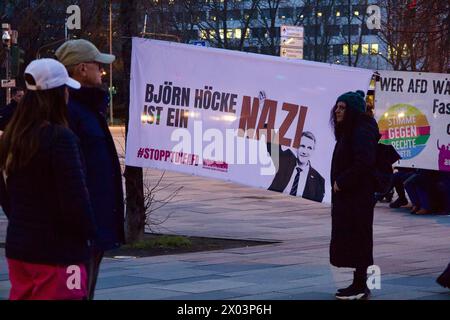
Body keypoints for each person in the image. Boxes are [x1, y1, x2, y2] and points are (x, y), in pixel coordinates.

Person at [0, 59, 96, 300]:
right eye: (65, 88)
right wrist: (89, 234)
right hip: (59, 253)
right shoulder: (60, 138)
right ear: (58, 94)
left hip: (20, 248)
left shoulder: (13, 137)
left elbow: (6, 195)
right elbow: (75, 200)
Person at [55, 39, 125, 300]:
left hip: (92, 225)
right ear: (82, 69)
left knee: (84, 292)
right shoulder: (70, 111)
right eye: (98, 65)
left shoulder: (87, 108)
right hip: (80, 230)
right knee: (74, 294)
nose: (102, 71)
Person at [329, 90, 379, 300]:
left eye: (343, 108)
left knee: (359, 239)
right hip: (350, 197)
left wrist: (342, 181)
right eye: (337, 107)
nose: (338, 111)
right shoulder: (350, 130)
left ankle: (361, 286)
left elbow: (363, 162)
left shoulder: (361, 130)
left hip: (357, 196)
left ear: (352, 110)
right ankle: (359, 284)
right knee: (355, 239)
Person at [267, 131, 325, 203]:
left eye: (309, 148)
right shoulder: (286, 159)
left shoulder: (319, 180)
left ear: (313, 151)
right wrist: (272, 123)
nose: (305, 151)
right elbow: (272, 144)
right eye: (302, 146)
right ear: (296, 147)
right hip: (274, 205)